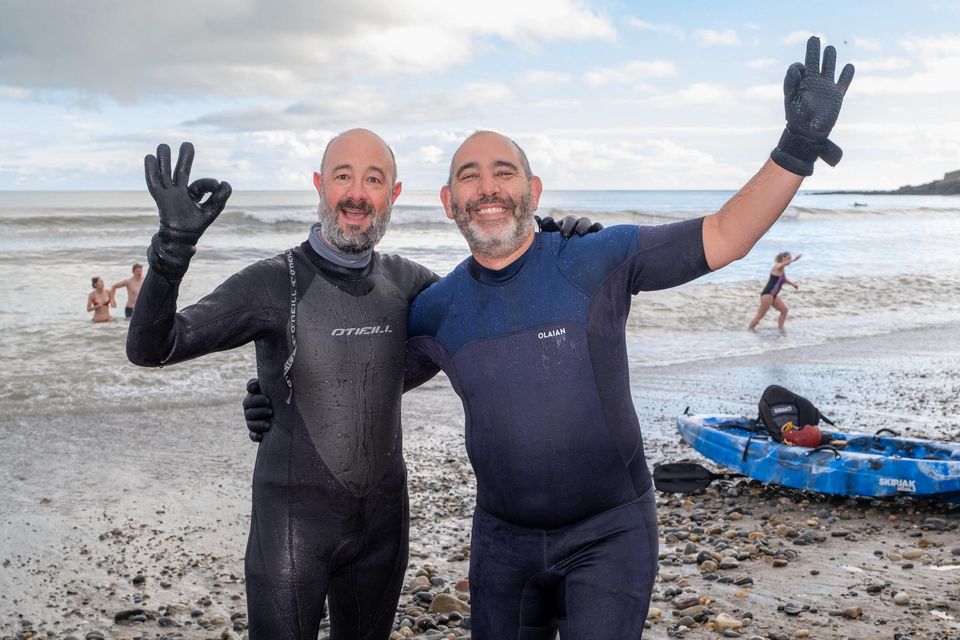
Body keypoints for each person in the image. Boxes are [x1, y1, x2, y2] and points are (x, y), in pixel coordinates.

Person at [247, 36, 853, 640]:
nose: (487, 188)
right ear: (448, 202)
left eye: (503, 172)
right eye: (469, 177)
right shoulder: (436, 307)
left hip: (609, 533)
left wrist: (795, 149)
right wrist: (276, 389)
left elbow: (725, 234)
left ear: (533, 192)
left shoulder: (598, 258)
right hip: (501, 545)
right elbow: (359, 368)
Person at [126, 129, 593, 640]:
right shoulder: (269, 282)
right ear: (319, 186)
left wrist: (546, 247)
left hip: (382, 527)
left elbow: (491, 319)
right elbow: (154, 347)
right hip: (291, 529)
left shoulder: (410, 283)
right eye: (342, 176)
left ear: (393, 194)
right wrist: (173, 249)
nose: (356, 193)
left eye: (374, 179)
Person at [747, 251, 800, 334]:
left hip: (773, 295)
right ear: (783, 258)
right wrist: (794, 260)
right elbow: (781, 265)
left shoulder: (782, 270)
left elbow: (784, 279)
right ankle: (749, 330)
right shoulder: (777, 266)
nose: (789, 260)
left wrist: (793, 285)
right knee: (760, 315)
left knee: (784, 310)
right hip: (767, 294)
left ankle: (781, 329)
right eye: (788, 258)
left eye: (790, 258)